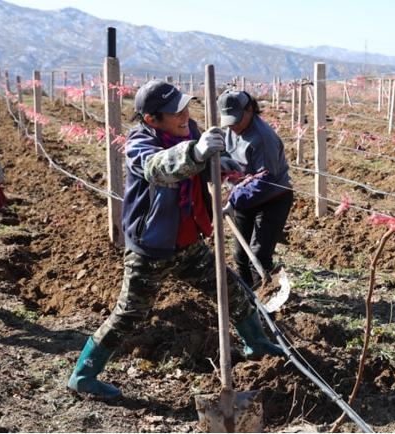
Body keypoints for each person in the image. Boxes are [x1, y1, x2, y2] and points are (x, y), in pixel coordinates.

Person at [67, 80, 283, 400]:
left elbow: (204, 170)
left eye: (185, 107)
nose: (184, 115)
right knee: (129, 314)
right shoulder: (139, 144)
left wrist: (221, 163)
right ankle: (83, 376)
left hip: (189, 242)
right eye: (175, 112)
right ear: (152, 119)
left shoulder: (190, 128)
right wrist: (195, 151)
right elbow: (159, 168)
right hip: (151, 249)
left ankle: (257, 344)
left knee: (233, 291)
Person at [216, 90, 293, 288]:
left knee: (258, 256)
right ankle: (248, 296)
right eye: (228, 121)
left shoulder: (263, 138)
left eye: (236, 120)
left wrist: (233, 201)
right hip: (245, 199)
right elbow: (226, 150)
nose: (232, 126)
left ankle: (265, 299)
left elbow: (265, 179)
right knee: (240, 255)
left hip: (272, 200)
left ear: (249, 110)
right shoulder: (233, 130)